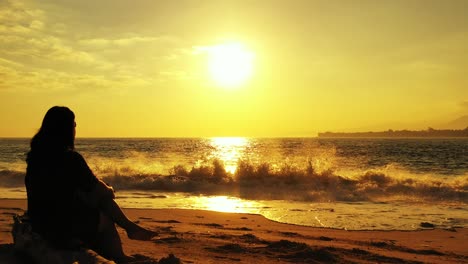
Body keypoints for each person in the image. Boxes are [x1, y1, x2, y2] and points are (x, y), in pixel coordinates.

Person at [25, 106, 157, 263]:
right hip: (60, 229)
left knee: (92, 201)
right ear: (66, 129)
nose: (75, 129)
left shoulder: (34, 158)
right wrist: (109, 190)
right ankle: (123, 248)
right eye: (74, 125)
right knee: (105, 212)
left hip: (39, 224)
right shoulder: (70, 159)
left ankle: (128, 230)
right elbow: (98, 189)